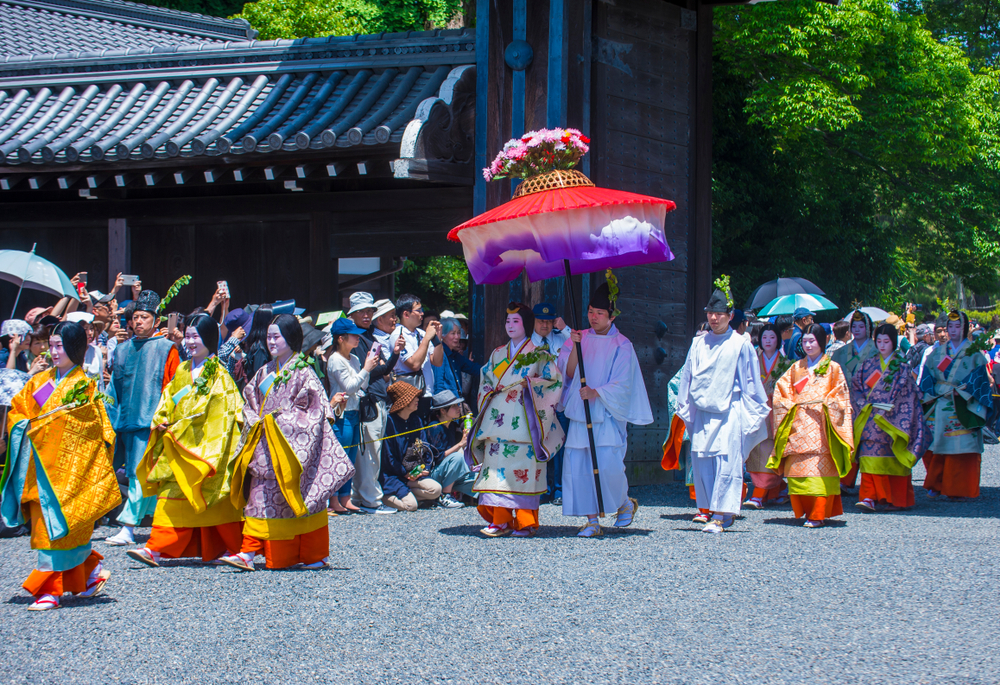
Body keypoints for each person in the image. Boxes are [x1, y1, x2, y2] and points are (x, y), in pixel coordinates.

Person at [1, 322, 119, 610]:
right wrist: (28, 425)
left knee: (61, 531)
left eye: (59, 345)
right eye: (51, 345)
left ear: (75, 348)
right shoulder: (40, 381)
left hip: (71, 473)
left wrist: (49, 424)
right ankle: (90, 574)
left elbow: (96, 429)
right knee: (47, 530)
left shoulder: (84, 386)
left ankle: (49, 591)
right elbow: (19, 411)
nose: (53, 352)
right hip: (40, 467)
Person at [220, 314, 353, 571]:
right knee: (259, 497)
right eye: (268, 336)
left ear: (290, 338)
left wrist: (278, 422)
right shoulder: (263, 372)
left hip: (290, 448)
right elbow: (250, 403)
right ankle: (248, 552)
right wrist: (256, 420)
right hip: (264, 446)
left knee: (298, 500)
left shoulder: (304, 372)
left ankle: (312, 554)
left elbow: (314, 412)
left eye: (276, 336)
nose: (271, 341)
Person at [128, 315, 245, 567]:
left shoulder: (220, 375)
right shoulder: (182, 369)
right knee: (170, 494)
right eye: (188, 336)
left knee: (216, 502)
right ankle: (155, 548)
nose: (190, 342)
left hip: (206, 447)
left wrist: (203, 442)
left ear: (210, 339)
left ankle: (237, 549)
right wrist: (160, 419)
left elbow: (225, 414)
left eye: (196, 336)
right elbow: (167, 399)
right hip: (178, 444)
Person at [557, 281, 653, 537]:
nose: (593, 317)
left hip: (607, 414)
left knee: (608, 466)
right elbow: (567, 373)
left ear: (611, 317)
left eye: (600, 313)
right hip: (580, 413)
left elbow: (624, 383)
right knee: (580, 465)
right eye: (590, 311)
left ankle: (623, 502)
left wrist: (598, 392)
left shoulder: (623, 345)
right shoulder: (578, 337)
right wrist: (575, 346)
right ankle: (591, 520)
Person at [674, 284, 770, 532]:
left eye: (719, 314)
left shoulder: (740, 344)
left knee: (727, 460)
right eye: (710, 313)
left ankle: (722, 513)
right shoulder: (698, 344)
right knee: (703, 460)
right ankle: (708, 510)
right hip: (704, 410)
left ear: (730, 315)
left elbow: (750, 381)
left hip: (730, 409)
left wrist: (752, 411)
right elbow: (687, 376)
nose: (714, 318)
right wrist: (684, 404)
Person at [467, 303, 565, 537]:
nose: (510, 326)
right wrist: (489, 388)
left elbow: (554, 382)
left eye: (516, 321)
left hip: (525, 422)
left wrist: (531, 385)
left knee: (523, 471)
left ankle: (525, 522)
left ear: (527, 324)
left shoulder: (539, 354)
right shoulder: (498, 353)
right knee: (497, 471)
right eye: (508, 321)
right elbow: (486, 377)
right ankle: (500, 520)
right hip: (497, 420)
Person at [104, 290, 181, 546]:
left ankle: (127, 527)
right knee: (142, 474)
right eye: (135, 317)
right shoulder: (123, 349)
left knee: (139, 474)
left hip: (152, 422)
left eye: (144, 317)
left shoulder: (166, 348)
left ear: (156, 321)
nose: (138, 322)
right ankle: (148, 523)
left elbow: (174, 386)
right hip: (125, 421)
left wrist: (167, 416)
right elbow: (114, 388)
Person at [766, 324, 855, 528]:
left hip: (823, 424)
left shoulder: (833, 368)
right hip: (798, 423)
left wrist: (827, 404)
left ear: (822, 341)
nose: (807, 345)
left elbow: (841, 396)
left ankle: (818, 514)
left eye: (812, 341)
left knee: (819, 471)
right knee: (799, 470)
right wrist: (789, 406)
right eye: (804, 341)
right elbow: (781, 392)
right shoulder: (796, 368)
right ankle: (806, 511)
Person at [850, 323, 929, 511]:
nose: (882, 345)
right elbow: (856, 389)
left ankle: (895, 499)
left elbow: (908, 393)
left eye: (886, 341)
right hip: (870, 417)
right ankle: (869, 497)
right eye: (879, 341)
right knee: (868, 458)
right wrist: (863, 404)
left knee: (892, 459)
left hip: (892, 419)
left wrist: (890, 408)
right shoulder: (867, 365)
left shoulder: (901, 366)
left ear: (894, 342)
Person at [919, 310, 988, 501]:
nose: (954, 330)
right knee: (933, 444)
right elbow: (927, 376)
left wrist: (966, 391)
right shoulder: (937, 352)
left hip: (964, 402)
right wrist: (927, 395)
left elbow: (981, 380)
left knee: (963, 445)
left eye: (958, 326)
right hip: (939, 400)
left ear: (965, 329)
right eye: (951, 326)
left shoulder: (974, 352)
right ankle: (936, 484)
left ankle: (960, 487)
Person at [349, 295, 404, 514]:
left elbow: (378, 370)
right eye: (361, 312)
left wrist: (393, 357)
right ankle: (371, 500)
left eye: (369, 311)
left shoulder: (367, 337)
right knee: (369, 451)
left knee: (371, 451)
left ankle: (361, 498)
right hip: (367, 401)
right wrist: (389, 361)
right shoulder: (355, 338)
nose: (366, 315)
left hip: (377, 399)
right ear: (351, 314)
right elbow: (370, 373)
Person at [326, 317, 378, 515]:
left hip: (354, 411)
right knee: (340, 456)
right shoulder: (335, 359)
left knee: (351, 456)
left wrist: (365, 369)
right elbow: (349, 387)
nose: (357, 338)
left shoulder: (354, 359)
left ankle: (345, 498)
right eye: (353, 335)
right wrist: (366, 369)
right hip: (341, 414)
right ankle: (334, 499)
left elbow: (361, 385)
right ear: (341, 338)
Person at [744, 323, 792, 509]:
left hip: (775, 414)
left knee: (769, 451)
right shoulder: (753, 360)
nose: (768, 341)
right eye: (765, 338)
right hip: (755, 411)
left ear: (777, 340)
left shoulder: (786, 365)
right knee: (756, 451)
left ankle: (759, 495)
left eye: (772, 337)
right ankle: (777, 488)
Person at [831, 308, 878, 490]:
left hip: (869, 403)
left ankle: (869, 485)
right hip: (847, 401)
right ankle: (845, 480)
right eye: (854, 326)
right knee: (846, 440)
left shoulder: (876, 350)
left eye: (861, 326)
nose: (857, 329)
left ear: (868, 328)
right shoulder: (841, 352)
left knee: (867, 441)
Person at [530, 303, 571, 504]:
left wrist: (564, 328)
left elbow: (581, 346)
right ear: (534, 322)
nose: (544, 325)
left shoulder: (563, 338)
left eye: (548, 321)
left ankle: (559, 490)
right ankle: (541, 488)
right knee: (539, 445)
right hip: (537, 404)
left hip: (561, 401)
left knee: (561, 446)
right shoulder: (528, 343)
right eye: (540, 321)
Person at [380, 381, 442, 511]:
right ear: (404, 401)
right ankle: (385, 498)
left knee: (436, 490)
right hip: (393, 476)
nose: (417, 399)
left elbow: (426, 448)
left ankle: (409, 493)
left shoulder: (416, 420)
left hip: (414, 473)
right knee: (411, 506)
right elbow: (388, 458)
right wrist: (405, 473)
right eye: (414, 397)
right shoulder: (389, 423)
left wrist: (422, 468)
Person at [425, 390, 476, 507]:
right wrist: (460, 444)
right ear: (442, 410)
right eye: (454, 406)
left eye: (458, 405)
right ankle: (445, 496)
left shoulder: (453, 426)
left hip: (450, 473)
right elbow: (438, 457)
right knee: (458, 456)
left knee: (477, 479)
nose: (458, 408)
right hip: (435, 473)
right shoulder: (434, 427)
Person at [389, 294, 442, 396]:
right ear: (406, 314)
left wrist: (438, 338)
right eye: (418, 310)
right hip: (408, 396)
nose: (422, 313)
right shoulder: (398, 334)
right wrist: (427, 338)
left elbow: (437, 362)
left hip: (427, 393)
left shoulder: (421, 333)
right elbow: (414, 365)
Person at [435, 317, 479, 399]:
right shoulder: (440, 354)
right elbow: (438, 385)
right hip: (446, 404)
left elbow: (475, 369)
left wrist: (499, 368)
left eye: (458, 333)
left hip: (456, 402)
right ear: (443, 335)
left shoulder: (455, 355)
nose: (457, 337)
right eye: (453, 333)